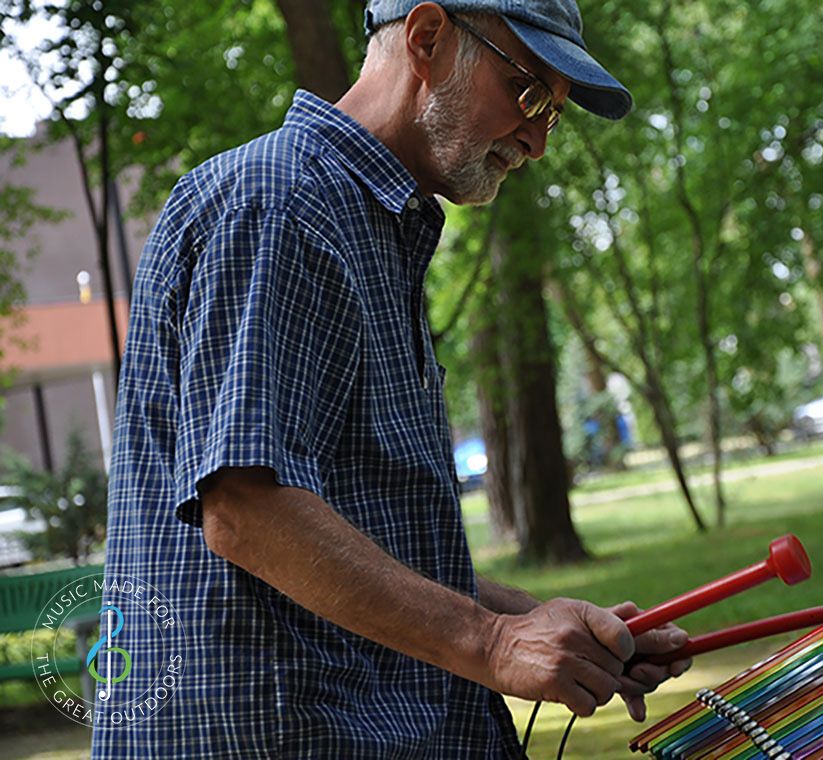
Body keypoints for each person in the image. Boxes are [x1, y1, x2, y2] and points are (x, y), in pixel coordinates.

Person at [92, 1, 690, 757]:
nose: (538, 140)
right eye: (530, 93)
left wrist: (552, 629)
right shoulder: (279, 204)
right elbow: (246, 511)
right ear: (429, 38)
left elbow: (371, 543)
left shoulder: (366, 224)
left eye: (555, 116)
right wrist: (496, 644)